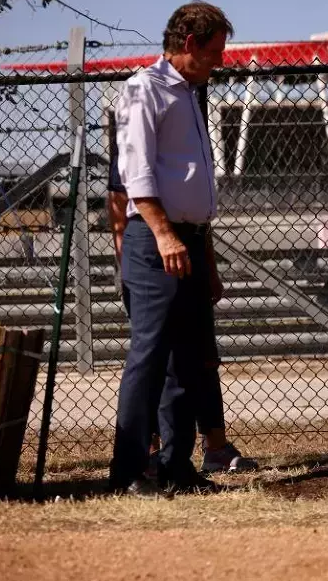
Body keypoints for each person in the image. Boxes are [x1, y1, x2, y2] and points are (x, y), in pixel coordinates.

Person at [109, 0, 234, 496]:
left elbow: (190, 181)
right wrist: (163, 234)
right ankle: (133, 469)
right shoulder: (145, 90)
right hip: (155, 238)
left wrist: (204, 255)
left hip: (191, 239)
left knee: (189, 356)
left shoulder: (189, 93)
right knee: (151, 352)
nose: (220, 62)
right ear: (189, 45)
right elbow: (136, 171)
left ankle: (177, 466)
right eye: (214, 52)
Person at [107, 141, 257, 476]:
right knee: (156, 357)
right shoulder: (136, 139)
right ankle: (146, 454)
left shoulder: (186, 145)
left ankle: (203, 450)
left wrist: (212, 271)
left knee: (199, 358)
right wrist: (129, 271)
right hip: (151, 259)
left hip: (190, 259)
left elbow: (199, 220)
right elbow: (119, 211)